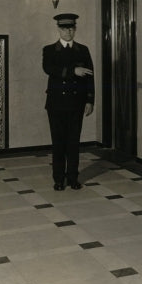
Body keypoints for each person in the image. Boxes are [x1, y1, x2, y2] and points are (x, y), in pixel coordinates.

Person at [42, 12, 94, 190]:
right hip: (56, 104)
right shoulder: (49, 50)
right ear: (58, 29)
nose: (68, 32)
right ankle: (58, 179)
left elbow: (90, 78)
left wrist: (90, 100)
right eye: (64, 28)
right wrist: (73, 71)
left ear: (75, 29)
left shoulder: (83, 50)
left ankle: (73, 178)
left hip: (76, 103)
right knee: (58, 143)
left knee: (73, 142)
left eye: (71, 28)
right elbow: (49, 68)